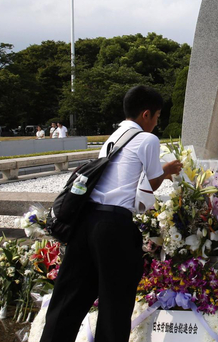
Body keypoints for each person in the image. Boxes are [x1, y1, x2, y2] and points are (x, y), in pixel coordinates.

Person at [40, 85, 182, 342]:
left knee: (69, 297)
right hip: (114, 226)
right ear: (146, 114)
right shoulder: (148, 139)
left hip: (85, 222)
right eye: (158, 116)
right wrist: (168, 169)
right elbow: (150, 183)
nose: (157, 122)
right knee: (115, 302)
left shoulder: (113, 137)